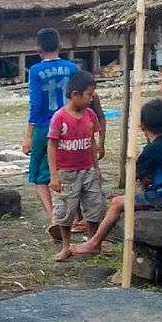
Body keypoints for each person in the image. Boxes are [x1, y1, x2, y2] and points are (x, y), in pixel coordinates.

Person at [73, 99, 162, 256]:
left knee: (117, 202)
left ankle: (95, 242)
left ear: (142, 125)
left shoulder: (152, 150)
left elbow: (133, 177)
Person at [22, 28, 77, 235]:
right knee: (70, 169)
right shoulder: (72, 68)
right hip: (70, 125)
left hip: (45, 126)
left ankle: (54, 216)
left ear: (38, 48)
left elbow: (35, 105)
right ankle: (75, 216)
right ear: (59, 45)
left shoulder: (36, 71)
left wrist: (28, 135)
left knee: (38, 175)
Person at [47, 71, 105, 262]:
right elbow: (52, 146)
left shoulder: (90, 115)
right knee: (65, 211)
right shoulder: (59, 118)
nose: (92, 98)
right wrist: (54, 175)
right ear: (75, 94)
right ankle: (66, 246)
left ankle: (93, 242)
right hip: (66, 173)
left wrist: (96, 169)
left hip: (87, 169)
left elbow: (91, 142)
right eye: (89, 94)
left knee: (94, 206)